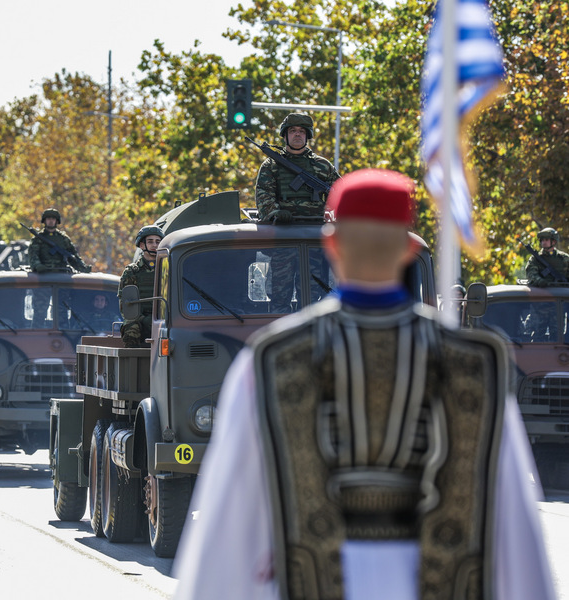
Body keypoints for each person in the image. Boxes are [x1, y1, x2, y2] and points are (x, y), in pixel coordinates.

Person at [173, 169, 556, 600]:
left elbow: (230, 528)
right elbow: (514, 533)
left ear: (331, 245)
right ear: (409, 250)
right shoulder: (475, 364)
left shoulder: (270, 360)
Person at [254, 112, 340, 224]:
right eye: (292, 131)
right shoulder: (271, 165)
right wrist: (275, 213)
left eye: (302, 131)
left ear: (307, 136)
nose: (297, 134)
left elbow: (339, 193)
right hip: (283, 227)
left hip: (317, 226)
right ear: (285, 136)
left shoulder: (323, 165)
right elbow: (263, 194)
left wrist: (329, 213)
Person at [118, 225, 163, 347]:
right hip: (139, 319)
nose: (155, 245)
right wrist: (144, 319)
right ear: (142, 245)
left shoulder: (167, 270)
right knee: (131, 328)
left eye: (158, 242)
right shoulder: (132, 271)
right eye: (150, 241)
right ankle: (132, 362)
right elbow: (126, 304)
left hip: (164, 318)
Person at [28, 208, 91, 274]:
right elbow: (33, 255)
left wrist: (83, 268)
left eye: (53, 219)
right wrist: (37, 265)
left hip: (62, 272)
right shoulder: (38, 238)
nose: (51, 221)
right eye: (48, 219)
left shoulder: (63, 238)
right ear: (44, 221)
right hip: (43, 272)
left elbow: (73, 256)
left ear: (57, 221)